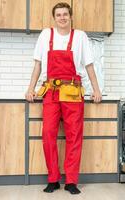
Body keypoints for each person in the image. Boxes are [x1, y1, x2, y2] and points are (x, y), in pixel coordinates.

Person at [25, 2, 102, 194]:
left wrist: (96, 89)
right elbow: (37, 65)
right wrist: (30, 89)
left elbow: (89, 66)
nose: (62, 18)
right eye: (58, 15)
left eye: (65, 14)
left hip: (73, 93)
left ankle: (71, 181)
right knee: (48, 135)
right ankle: (53, 179)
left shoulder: (80, 36)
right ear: (54, 18)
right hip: (51, 92)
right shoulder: (45, 35)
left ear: (70, 16)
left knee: (74, 137)